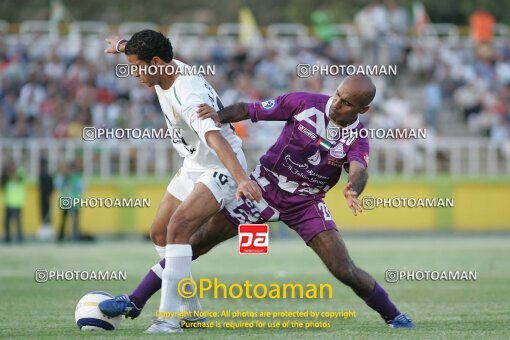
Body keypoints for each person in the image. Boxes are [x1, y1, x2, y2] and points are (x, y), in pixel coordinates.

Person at [100, 75, 415, 329]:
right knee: (195, 243)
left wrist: (352, 188)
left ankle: (394, 316)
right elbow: (250, 111)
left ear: (362, 110)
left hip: (306, 203)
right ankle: (135, 300)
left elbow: (359, 169)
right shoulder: (304, 102)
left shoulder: (357, 136)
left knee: (343, 269)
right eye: (338, 95)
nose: (337, 104)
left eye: (347, 103)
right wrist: (217, 117)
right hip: (261, 188)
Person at [101, 30, 261, 334]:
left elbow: (215, 137)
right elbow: (144, 52)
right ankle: (191, 311)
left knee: (178, 230)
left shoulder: (187, 94)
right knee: (159, 232)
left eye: (137, 67)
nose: (134, 74)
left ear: (157, 62)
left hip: (221, 168)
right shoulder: (166, 69)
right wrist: (122, 46)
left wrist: (242, 179)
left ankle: (168, 319)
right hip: (194, 165)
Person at [1, 162, 27, 243]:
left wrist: (10, 174)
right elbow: (2, 184)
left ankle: (20, 238)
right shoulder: (6, 177)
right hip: (9, 202)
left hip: (18, 203)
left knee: (18, 222)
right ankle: (7, 238)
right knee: (7, 222)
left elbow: (19, 179)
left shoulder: (21, 174)